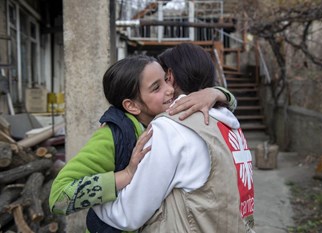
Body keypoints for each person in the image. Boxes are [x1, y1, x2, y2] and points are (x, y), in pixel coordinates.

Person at [49, 54, 237, 232]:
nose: (170, 89)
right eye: (156, 88)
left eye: (166, 80)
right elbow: (59, 198)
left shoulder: (161, 124)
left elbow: (230, 108)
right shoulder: (111, 136)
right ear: (131, 105)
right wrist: (126, 174)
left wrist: (215, 93)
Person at [93, 43, 255, 232]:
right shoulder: (228, 121)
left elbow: (128, 214)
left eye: (162, 79)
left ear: (170, 76)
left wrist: (95, 204)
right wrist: (218, 92)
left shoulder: (171, 127)